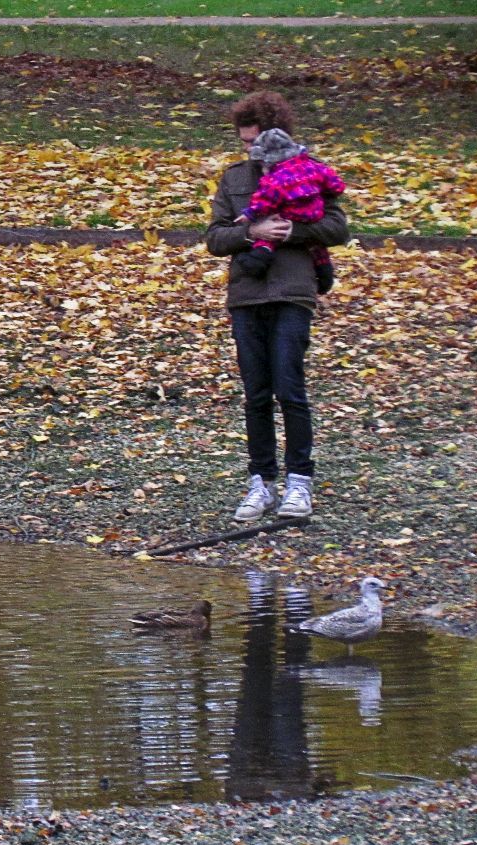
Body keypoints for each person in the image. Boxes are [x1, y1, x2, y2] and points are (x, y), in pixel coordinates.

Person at [205, 91, 349, 522]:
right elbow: (214, 237)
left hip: (292, 291)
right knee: (256, 395)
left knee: (290, 388)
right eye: (244, 142)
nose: (250, 150)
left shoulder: (309, 171)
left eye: (256, 141)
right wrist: (253, 230)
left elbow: (337, 226)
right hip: (247, 294)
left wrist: (292, 231)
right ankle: (261, 483)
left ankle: (299, 482)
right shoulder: (233, 180)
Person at [234, 127, 346, 295]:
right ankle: (325, 273)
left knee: (269, 237)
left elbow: (265, 201)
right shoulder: (313, 166)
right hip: (314, 213)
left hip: (290, 214)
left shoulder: (275, 179)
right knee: (317, 247)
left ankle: (258, 260)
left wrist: (250, 213)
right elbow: (334, 183)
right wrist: (332, 190)